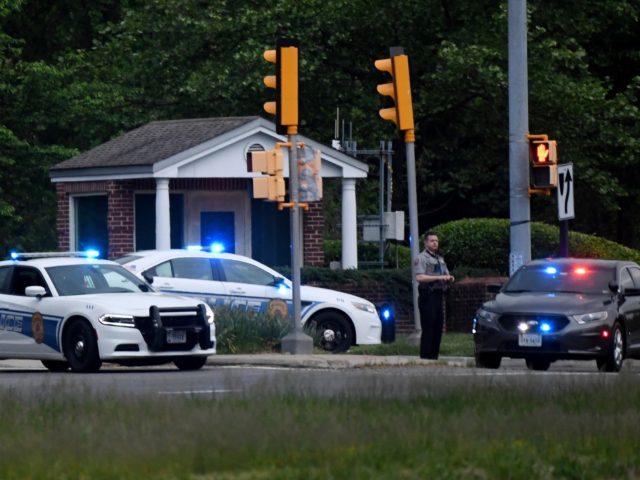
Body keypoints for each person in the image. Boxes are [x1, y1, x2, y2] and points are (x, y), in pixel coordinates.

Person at [414, 231, 454, 359]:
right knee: (428, 328)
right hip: (427, 296)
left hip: (438, 296)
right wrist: (439, 277)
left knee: (438, 328)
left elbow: (445, 274)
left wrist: (449, 278)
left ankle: (434, 356)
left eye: (436, 241)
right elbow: (419, 277)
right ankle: (425, 357)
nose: (435, 243)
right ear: (426, 243)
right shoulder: (421, 258)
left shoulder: (440, 259)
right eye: (432, 241)